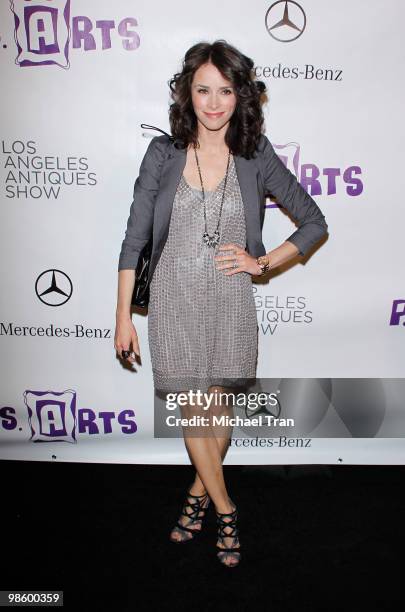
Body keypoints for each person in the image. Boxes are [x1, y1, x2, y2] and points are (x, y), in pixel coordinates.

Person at [114, 40, 328, 568]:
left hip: (232, 301)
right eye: (203, 89)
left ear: (241, 96)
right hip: (172, 300)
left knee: (217, 410)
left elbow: (314, 222)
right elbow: (133, 240)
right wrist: (123, 318)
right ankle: (227, 509)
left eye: (225, 91)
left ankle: (195, 497)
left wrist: (264, 262)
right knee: (195, 410)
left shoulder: (255, 154)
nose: (213, 103)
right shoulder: (162, 154)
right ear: (188, 93)